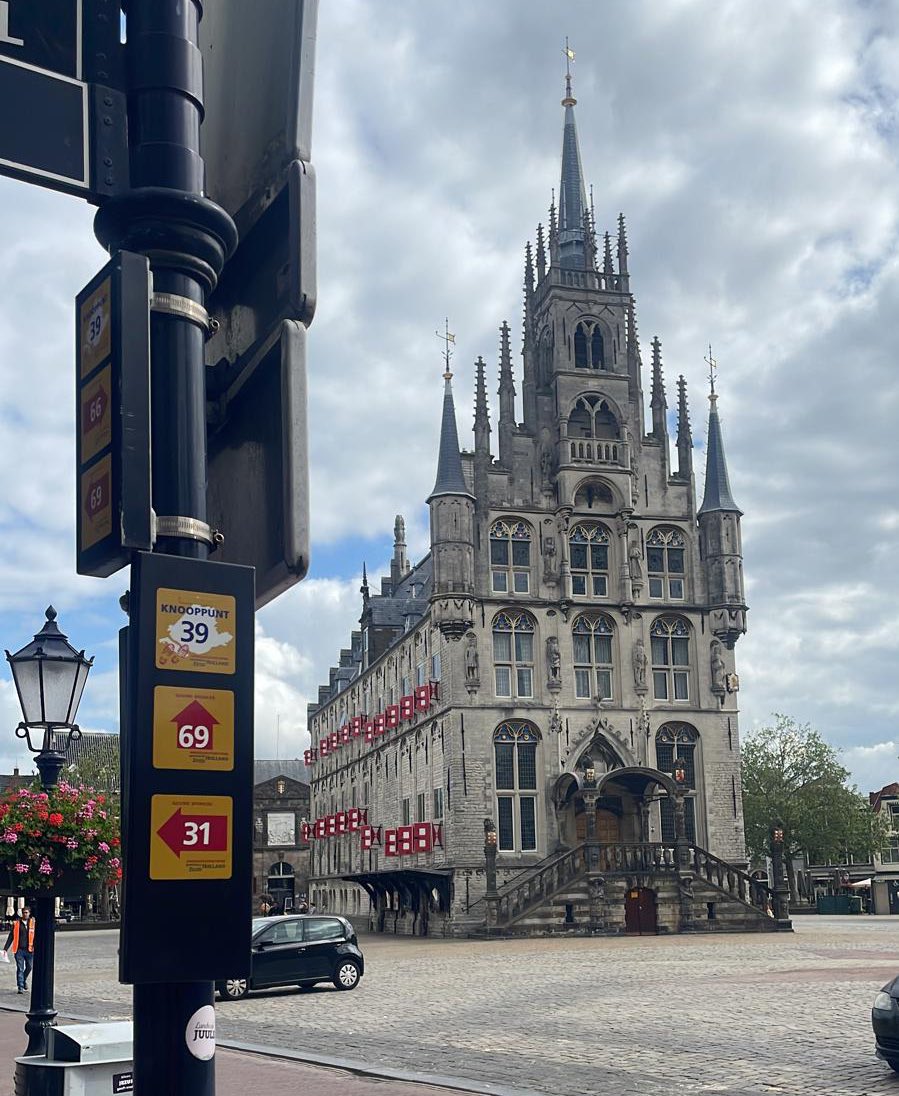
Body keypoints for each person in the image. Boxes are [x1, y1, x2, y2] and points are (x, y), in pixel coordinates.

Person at [2, 907, 35, 994]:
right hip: (19, 950)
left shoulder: (33, 923)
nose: (25, 914)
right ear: (22, 913)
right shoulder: (16, 924)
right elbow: (11, 937)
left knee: (30, 967)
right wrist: (5, 949)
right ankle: (20, 987)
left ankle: (23, 980)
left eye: (26, 912)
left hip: (30, 950)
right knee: (20, 968)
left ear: (29, 913)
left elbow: (36, 937)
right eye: (24, 912)